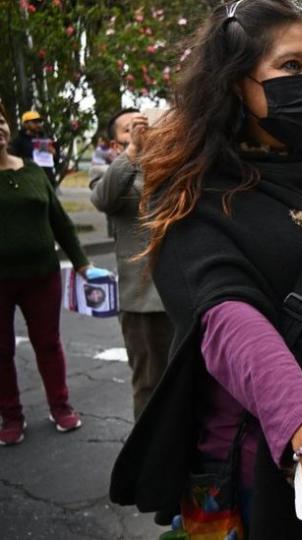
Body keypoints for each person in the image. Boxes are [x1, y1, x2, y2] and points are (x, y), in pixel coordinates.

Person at [108, 2, 302, 536]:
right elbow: (228, 317)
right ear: (237, 82)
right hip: (266, 475)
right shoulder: (193, 194)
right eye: (291, 66)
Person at [1, 100, 91, 446]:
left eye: (1, 119)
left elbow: (60, 222)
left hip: (42, 275)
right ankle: (10, 416)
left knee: (49, 344)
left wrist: (82, 262)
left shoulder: (33, 171)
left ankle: (60, 406)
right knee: (1, 350)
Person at [89, 108, 174, 420]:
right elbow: (103, 199)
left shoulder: (173, 164)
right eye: (129, 130)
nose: (140, 131)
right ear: (115, 145)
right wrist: (135, 151)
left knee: (194, 380)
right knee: (149, 383)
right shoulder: (111, 172)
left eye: (144, 125)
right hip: (143, 301)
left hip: (184, 291)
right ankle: (147, 458)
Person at [10, 110, 60, 187]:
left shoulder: (47, 140)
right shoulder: (18, 142)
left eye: (40, 122)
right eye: (34, 122)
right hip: (28, 182)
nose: (38, 125)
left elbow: (56, 162)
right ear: (25, 124)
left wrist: (54, 154)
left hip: (47, 181)